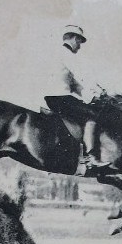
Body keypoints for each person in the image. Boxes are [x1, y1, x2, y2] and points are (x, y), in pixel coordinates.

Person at [46, 24, 112, 173]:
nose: (80, 46)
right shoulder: (67, 54)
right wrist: (98, 92)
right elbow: (81, 76)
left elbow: (76, 85)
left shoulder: (59, 54)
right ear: (74, 38)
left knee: (87, 109)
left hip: (56, 96)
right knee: (92, 117)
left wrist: (91, 96)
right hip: (59, 97)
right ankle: (91, 158)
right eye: (79, 42)